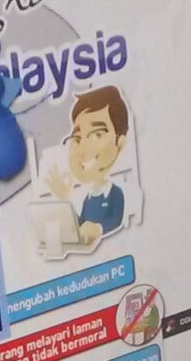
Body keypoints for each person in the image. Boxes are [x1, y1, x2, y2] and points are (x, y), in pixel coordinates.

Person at [42, 86, 139, 249]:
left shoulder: (116, 193)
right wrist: (64, 199)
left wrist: (98, 229)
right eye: (77, 139)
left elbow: (115, 220)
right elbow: (80, 224)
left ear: (120, 143)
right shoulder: (89, 197)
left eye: (96, 135)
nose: (82, 150)